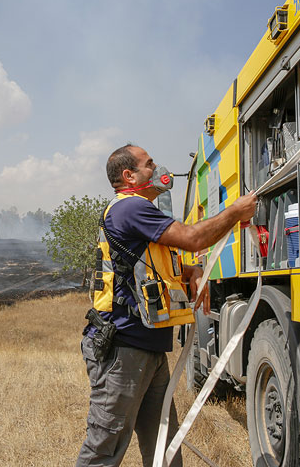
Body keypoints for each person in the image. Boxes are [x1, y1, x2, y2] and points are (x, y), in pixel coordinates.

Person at [76, 144, 258, 467]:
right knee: (103, 451)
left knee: (164, 449)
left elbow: (158, 266)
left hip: (146, 349)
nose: (157, 168)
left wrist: (193, 271)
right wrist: (235, 212)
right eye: (149, 164)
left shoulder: (138, 214)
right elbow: (192, 239)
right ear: (129, 176)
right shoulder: (130, 209)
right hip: (123, 350)